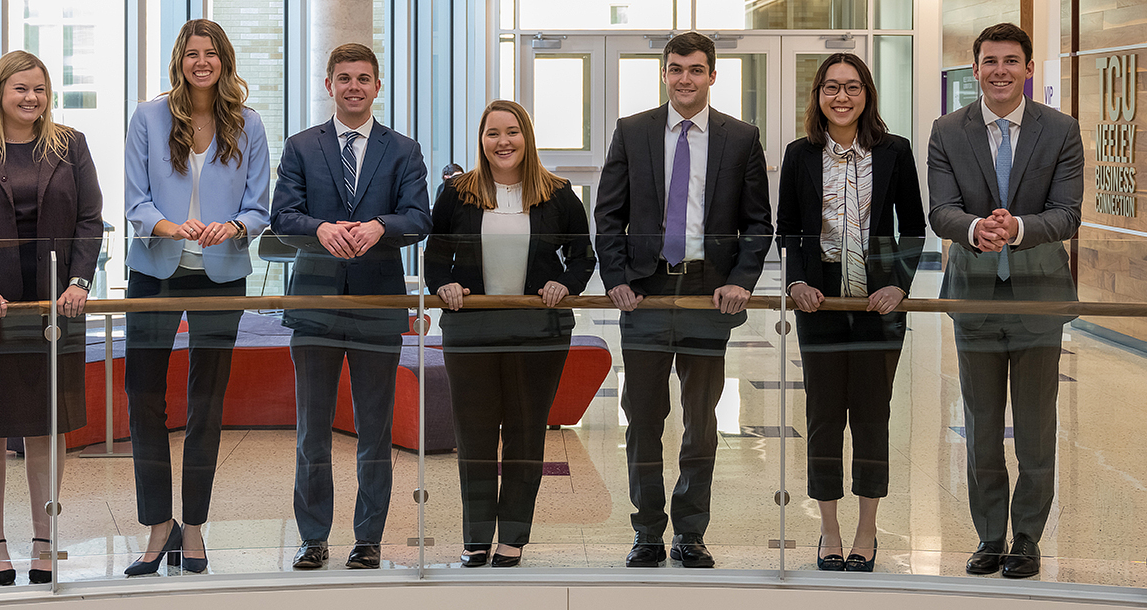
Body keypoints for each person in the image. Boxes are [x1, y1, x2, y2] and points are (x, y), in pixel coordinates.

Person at [593, 31, 772, 569]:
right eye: (676, 69)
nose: (685, 79)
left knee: (701, 420)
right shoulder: (634, 131)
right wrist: (617, 277)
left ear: (712, 76)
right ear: (665, 74)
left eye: (696, 70)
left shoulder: (740, 137)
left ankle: (690, 532)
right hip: (645, 295)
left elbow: (758, 222)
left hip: (707, 296)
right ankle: (647, 531)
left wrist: (741, 279)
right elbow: (608, 214)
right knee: (643, 418)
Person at [0, 50, 103, 587]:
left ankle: (45, 540)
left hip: (54, 308)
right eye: (21, 89)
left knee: (45, 426)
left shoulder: (69, 144)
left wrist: (79, 282)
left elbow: (90, 218)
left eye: (41, 90)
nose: (32, 99)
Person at [927, 23, 1083, 580]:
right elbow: (939, 210)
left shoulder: (1060, 130)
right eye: (989, 61)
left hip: (1040, 296)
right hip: (973, 298)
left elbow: (1068, 214)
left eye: (1011, 61)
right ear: (975, 70)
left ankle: (1027, 539)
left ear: (1029, 68)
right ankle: (990, 536)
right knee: (981, 425)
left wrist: (1017, 228)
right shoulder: (948, 131)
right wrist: (974, 229)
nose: (1000, 70)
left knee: (1038, 427)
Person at [271, 42, 432, 570]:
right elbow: (283, 217)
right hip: (314, 301)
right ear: (329, 85)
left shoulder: (403, 151)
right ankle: (314, 536)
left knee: (375, 432)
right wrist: (320, 228)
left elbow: (418, 218)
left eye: (364, 78)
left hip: (376, 304)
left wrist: (379, 226)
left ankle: (368, 540)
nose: (354, 86)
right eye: (344, 78)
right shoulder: (300, 147)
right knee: (311, 431)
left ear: (377, 86)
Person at [120, 19, 270, 576]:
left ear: (224, 61)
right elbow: (135, 199)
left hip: (221, 274)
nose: (201, 61)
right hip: (155, 271)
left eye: (210, 53)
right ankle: (160, 525)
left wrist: (231, 228)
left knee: (207, 401)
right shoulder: (148, 116)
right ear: (178, 60)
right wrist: (165, 226)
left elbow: (259, 208)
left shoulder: (248, 123)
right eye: (191, 53)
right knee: (143, 396)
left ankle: (197, 527)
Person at [425, 100, 596, 568]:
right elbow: (435, 258)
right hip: (472, 329)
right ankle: (477, 536)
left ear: (528, 137)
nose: (503, 142)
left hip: (536, 329)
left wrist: (568, 283)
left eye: (512, 132)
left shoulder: (558, 194)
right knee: (475, 435)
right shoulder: (457, 194)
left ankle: (513, 536)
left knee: (525, 434)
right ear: (481, 141)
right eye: (492, 133)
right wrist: (443, 285)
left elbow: (583, 258)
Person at [778, 53, 925, 574]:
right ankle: (829, 528)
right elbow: (789, 228)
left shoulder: (894, 152)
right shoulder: (800, 154)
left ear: (868, 95)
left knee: (870, 415)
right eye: (831, 87)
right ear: (817, 95)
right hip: (818, 304)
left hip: (877, 306)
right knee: (821, 416)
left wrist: (898, 287)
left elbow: (913, 227)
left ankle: (867, 528)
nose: (842, 97)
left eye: (853, 87)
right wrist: (795, 281)